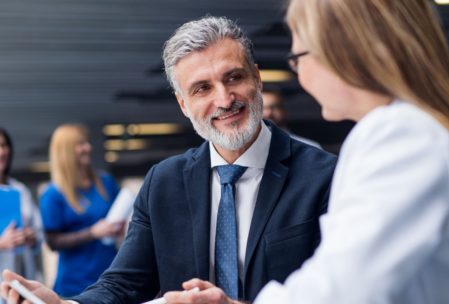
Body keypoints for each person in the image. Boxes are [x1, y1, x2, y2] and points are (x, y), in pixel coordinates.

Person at [0, 16, 336, 304]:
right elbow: (123, 284)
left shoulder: (325, 177)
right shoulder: (164, 182)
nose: (224, 98)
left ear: (257, 78)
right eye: (202, 88)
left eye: (233, 77)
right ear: (183, 105)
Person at [160, 0, 449, 303]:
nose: (297, 71)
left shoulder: (400, 136)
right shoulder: (408, 129)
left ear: (343, 54)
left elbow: (343, 289)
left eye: (297, 57)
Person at [38, 124, 124, 297]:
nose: (88, 148)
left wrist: (118, 228)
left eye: (87, 142)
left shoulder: (105, 182)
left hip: (109, 274)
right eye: (80, 144)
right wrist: (93, 233)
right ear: (66, 151)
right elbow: (53, 242)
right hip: (75, 283)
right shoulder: (53, 194)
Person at [0, 128, 43, 304]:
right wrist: (2, 243)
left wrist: (31, 237)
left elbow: (39, 233)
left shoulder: (20, 190)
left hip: (23, 281)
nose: (1, 151)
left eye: (4, 145)